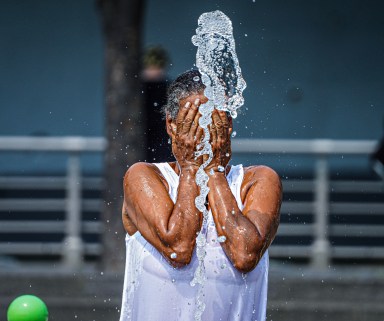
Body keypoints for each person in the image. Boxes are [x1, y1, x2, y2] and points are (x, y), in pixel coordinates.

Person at [119, 69, 282, 321]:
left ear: (228, 125)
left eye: (214, 121)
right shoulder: (144, 177)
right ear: (171, 125)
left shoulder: (257, 180)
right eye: (195, 121)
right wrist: (191, 168)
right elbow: (179, 248)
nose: (205, 133)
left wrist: (215, 172)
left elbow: (244, 254)